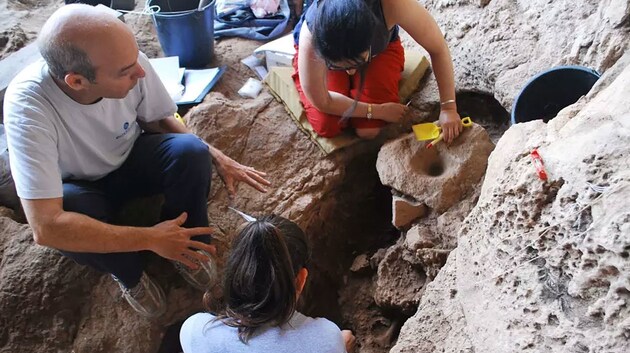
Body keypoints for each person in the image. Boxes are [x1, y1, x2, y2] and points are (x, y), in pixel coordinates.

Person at [3, 4, 271, 318]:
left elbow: (161, 119)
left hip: (130, 158)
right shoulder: (28, 108)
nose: (141, 72)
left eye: (135, 59)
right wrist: (151, 238)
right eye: (125, 71)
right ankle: (130, 273)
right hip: (81, 185)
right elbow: (45, 227)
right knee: (72, 212)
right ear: (77, 81)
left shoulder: (127, 61)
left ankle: (188, 245)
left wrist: (215, 154)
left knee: (191, 152)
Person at [180, 215, 355, 353]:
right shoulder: (327, 338)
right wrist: (340, 346)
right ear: (301, 279)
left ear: (235, 271)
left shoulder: (197, 331)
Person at [292, 0, 464, 141]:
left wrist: (448, 108)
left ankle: (352, 63)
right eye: (341, 66)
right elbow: (323, 101)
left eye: (357, 63)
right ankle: (342, 66)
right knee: (327, 125)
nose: (351, 72)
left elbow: (438, 48)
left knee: (369, 130)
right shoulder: (312, 35)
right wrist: (376, 110)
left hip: (378, 52)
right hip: (334, 50)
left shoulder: (391, 6)